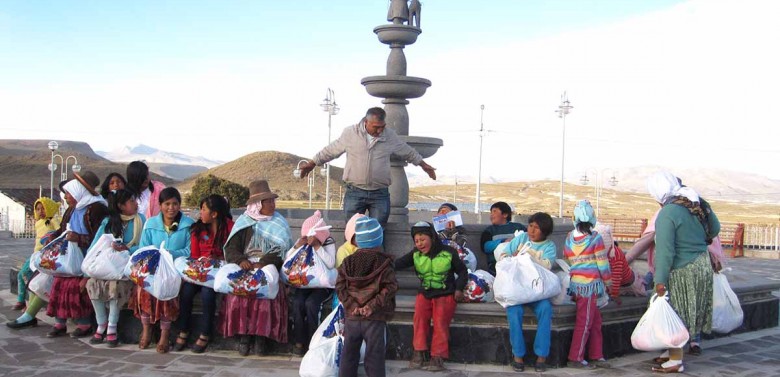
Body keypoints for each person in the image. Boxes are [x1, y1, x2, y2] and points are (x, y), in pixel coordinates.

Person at [298, 107, 437, 226]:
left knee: (378, 232)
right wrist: (312, 163)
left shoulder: (389, 136)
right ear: (366, 122)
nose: (379, 130)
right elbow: (330, 151)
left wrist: (424, 165)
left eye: (382, 126)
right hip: (354, 192)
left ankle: (376, 257)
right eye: (376, 127)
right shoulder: (350, 133)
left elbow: (408, 152)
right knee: (352, 232)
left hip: (380, 194)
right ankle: (354, 258)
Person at [647, 172, 719, 373]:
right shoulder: (695, 202)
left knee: (675, 312)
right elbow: (715, 228)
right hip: (701, 265)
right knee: (688, 310)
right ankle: (670, 352)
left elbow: (665, 251)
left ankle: (676, 360)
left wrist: (659, 280)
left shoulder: (668, 213)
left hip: (682, 269)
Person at [220, 180, 293, 356]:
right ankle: (245, 336)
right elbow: (231, 248)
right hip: (245, 264)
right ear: (258, 205)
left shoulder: (279, 223)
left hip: (267, 265)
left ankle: (261, 338)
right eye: (269, 202)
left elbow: (283, 251)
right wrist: (240, 260)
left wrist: (265, 262)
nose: (273, 205)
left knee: (266, 289)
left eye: (273, 201)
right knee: (240, 293)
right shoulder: (244, 222)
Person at [395, 221, 467, 371]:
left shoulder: (449, 252)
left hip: (445, 294)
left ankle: (437, 357)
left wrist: (459, 289)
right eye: (417, 241)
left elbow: (462, 271)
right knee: (419, 318)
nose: (420, 244)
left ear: (432, 238)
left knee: (440, 322)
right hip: (425, 293)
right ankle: (419, 352)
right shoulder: (415, 254)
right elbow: (398, 264)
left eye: (423, 240)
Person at [131, 187, 194, 353]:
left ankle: (165, 334)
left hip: (175, 268)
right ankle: (146, 329)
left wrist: (168, 254)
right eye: (167, 204)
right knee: (144, 288)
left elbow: (189, 251)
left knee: (168, 289)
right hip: (153, 266)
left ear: (180, 205)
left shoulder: (188, 225)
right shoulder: (151, 224)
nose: (171, 208)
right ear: (160, 205)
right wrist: (156, 257)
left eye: (175, 204)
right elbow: (144, 247)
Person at [46, 172, 110, 338]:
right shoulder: (72, 209)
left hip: (89, 258)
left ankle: (85, 323)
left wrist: (80, 238)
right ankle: (60, 323)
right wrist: (54, 236)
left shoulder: (97, 209)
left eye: (68, 193)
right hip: (70, 257)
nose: (66, 197)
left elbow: (101, 237)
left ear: (78, 191)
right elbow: (63, 229)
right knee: (59, 281)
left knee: (75, 285)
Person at [336, 216, 398, 377]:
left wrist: (352, 306)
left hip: (352, 317)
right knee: (374, 356)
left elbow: (340, 287)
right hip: (375, 317)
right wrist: (371, 306)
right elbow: (390, 287)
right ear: (379, 240)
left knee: (349, 354)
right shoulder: (384, 263)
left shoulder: (347, 262)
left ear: (358, 241)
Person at [496, 212, 556, 373]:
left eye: (537, 228)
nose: (532, 231)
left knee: (545, 309)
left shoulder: (549, 246)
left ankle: (542, 356)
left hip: (537, 291)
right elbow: (502, 255)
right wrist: (512, 257)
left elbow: (547, 265)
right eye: (531, 226)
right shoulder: (521, 239)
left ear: (545, 231)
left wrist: (528, 255)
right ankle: (518, 356)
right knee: (513, 311)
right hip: (517, 290)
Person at [174, 194, 234, 354]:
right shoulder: (197, 229)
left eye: (203, 209)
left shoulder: (230, 228)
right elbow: (194, 255)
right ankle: (183, 330)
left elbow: (232, 253)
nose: (200, 213)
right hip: (199, 271)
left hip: (218, 272)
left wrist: (216, 261)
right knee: (186, 292)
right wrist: (201, 264)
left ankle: (205, 333)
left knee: (208, 294)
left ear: (214, 214)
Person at [86, 189, 145, 347]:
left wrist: (127, 249)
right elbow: (96, 245)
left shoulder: (142, 220)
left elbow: (145, 245)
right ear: (121, 206)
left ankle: (112, 327)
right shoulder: (108, 222)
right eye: (131, 201)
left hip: (127, 268)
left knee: (116, 286)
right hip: (107, 267)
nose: (135, 203)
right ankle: (101, 324)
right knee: (92, 283)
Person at [564, 200, 612, 370]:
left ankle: (596, 354)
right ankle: (575, 357)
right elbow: (602, 263)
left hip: (576, 285)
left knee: (595, 320)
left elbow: (567, 256)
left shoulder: (569, 237)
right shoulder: (595, 238)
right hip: (590, 287)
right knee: (584, 322)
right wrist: (609, 282)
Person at [287, 210, 337, 356]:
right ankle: (299, 341)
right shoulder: (301, 242)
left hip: (321, 285)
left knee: (311, 304)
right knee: (297, 303)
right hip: (304, 283)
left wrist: (317, 247)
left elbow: (330, 263)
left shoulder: (328, 242)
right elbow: (288, 260)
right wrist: (297, 246)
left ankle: (312, 341)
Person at [10, 198, 60, 313]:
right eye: (38, 209)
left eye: (43, 208)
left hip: (46, 255)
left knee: (32, 279)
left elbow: (59, 231)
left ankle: (28, 306)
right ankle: (21, 300)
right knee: (22, 275)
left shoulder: (52, 220)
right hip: (36, 255)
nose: (40, 211)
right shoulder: (38, 223)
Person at [480, 201, 527, 275]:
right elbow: (485, 247)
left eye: (494, 211)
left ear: (505, 214)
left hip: (519, 262)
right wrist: (503, 241)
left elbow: (529, 240)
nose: (491, 214)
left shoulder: (518, 227)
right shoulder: (489, 230)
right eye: (491, 212)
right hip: (496, 265)